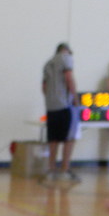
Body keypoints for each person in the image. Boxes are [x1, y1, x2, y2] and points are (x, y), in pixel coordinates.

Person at [41, 43, 79, 181]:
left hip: (51, 106)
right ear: (66, 51)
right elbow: (69, 78)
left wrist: (50, 100)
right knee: (69, 138)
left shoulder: (47, 64)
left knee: (53, 139)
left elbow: (44, 87)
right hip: (64, 106)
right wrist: (75, 99)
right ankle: (64, 169)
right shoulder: (65, 58)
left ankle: (51, 170)